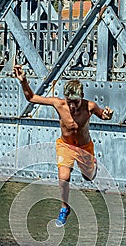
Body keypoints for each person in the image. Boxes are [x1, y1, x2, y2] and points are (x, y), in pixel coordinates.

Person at [13, 64, 113, 227]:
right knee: (64, 177)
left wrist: (108, 114)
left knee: (88, 177)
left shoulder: (90, 107)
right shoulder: (59, 104)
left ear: (81, 97)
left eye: (75, 102)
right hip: (65, 146)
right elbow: (32, 98)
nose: (72, 106)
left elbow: (103, 115)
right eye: (69, 102)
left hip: (84, 147)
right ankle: (64, 208)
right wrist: (24, 81)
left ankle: (91, 167)